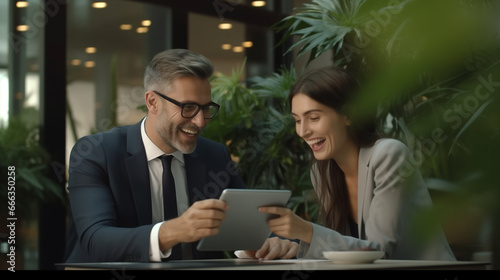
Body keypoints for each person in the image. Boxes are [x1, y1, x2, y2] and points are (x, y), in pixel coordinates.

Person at [64, 49, 296, 263]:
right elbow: (95, 240)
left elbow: (250, 223)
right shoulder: (97, 152)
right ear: (152, 102)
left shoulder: (214, 155)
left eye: (206, 108)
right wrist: (175, 230)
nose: (200, 121)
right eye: (188, 107)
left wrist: (271, 241)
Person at [254, 66, 456, 260]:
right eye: (297, 120)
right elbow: (342, 248)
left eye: (313, 117)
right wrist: (296, 247)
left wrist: (307, 231)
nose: (303, 131)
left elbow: (380, 252)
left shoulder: (389, 155)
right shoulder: (321, 172)